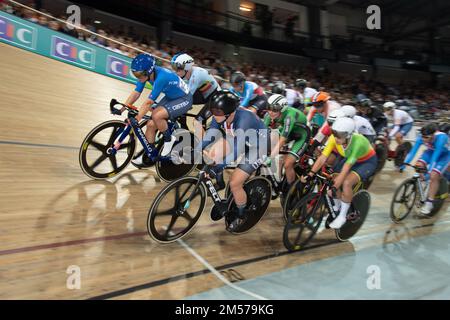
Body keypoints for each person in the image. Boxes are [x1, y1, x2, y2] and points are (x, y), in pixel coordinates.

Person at [200, 90, 270, 232]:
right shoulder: (220, 115)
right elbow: (210, 135)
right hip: (239, 138)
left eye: (217, 111)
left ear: (229, 112)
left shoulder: (244, 119)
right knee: (213, 153)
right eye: (212, 110)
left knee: (235, 182)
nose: (214, 114)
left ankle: (241, 213)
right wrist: (195, 149)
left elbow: (237, 150)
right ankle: (219, 182)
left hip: (259, 146)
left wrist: (219, 167)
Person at [301, 117, 377, 229]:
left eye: (339, 135)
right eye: (334, 133)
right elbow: (323, 158)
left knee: (346, 183)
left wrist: (335, 187)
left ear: (349, 135)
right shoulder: (334, 138)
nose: (336, 138)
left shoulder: (358, 142)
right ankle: (336, 209)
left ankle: (342, 217)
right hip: (351, 160)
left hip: (367, 162)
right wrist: (311, 174)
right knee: (332, 179)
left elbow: (346, 169)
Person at [122, 53, 193, 168]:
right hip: (171, 97)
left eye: (140, 74)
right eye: (135, 74)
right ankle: (151, 155)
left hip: (184, 99)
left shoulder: (161, 77)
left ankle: (169, 139)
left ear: (149, 71)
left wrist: (137, 118)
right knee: (150, 125)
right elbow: (136, 93)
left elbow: (148, 102)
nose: (138, 77)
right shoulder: (146, 74)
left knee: (156, 115)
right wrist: (123, 107)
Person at [263, 94, 309, 190]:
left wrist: (270, 158)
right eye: (269, 108)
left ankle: (291, 189)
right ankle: (277, 181)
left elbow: (282, 140)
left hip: (302, 135)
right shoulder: (268, 115)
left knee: (287, 164)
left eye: (274, 109)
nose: (271, 112)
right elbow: (261, 133)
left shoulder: (289, 117)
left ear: (282, 109)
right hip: (288, 131)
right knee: (270, 142)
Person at [402, 123, 449, 216]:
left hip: (445, 155)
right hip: (431, 152)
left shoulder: (441, 138)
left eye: (426, 137)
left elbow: (435, 157)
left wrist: (431, 170)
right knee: (418, 165)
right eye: (422, 137)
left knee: (434, 175)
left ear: (433, 135)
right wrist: (404, 163)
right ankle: (423, 185)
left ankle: (429, 203)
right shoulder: (421, 136)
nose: (424, 139)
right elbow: (413, 151)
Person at [170, 53, 220, 128]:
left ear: (186, 67)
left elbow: (187, 96)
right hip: (204, 95)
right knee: (180, 107)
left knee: (198, 122)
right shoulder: (187, 74)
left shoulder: (196, 75)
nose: (176, 71)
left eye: (178, 68)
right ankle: (185, 131)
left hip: (215, 98)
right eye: (174, 68)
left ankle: (202, 138)